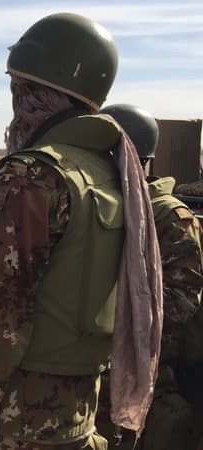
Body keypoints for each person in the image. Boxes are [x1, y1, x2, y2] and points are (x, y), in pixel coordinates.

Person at [0, 13, 162, 449]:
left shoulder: (32, 175)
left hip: (14, 419)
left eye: (17, 91)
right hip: (73, 412)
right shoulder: (109, 169)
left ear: (29, 92)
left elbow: (1, 317)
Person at [95, 104, 203, 449]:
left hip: (152, 377)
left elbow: (179, 305)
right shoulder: (108, 207)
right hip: (104, 369)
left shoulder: (169, 217)